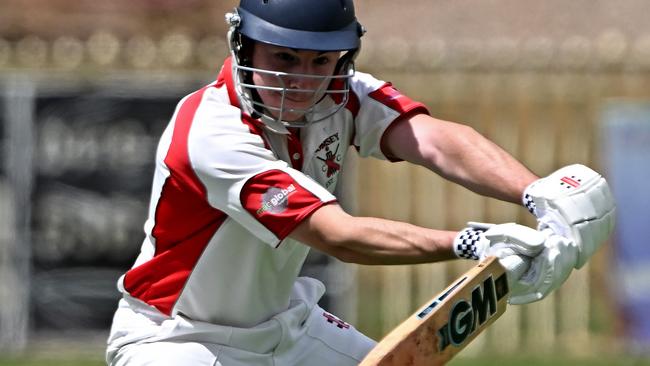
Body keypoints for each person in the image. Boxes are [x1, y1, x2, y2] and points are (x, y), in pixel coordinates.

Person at [105, 0, 616, 365]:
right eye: (284, 59)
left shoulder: (343, 94)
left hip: (286, 327)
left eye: (320, 61)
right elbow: (336, 235)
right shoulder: (212, 133)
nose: (302, 81)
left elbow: (434, 140)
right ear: (244, 45)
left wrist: (538, 193)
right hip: (176, 341)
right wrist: (470, 242)